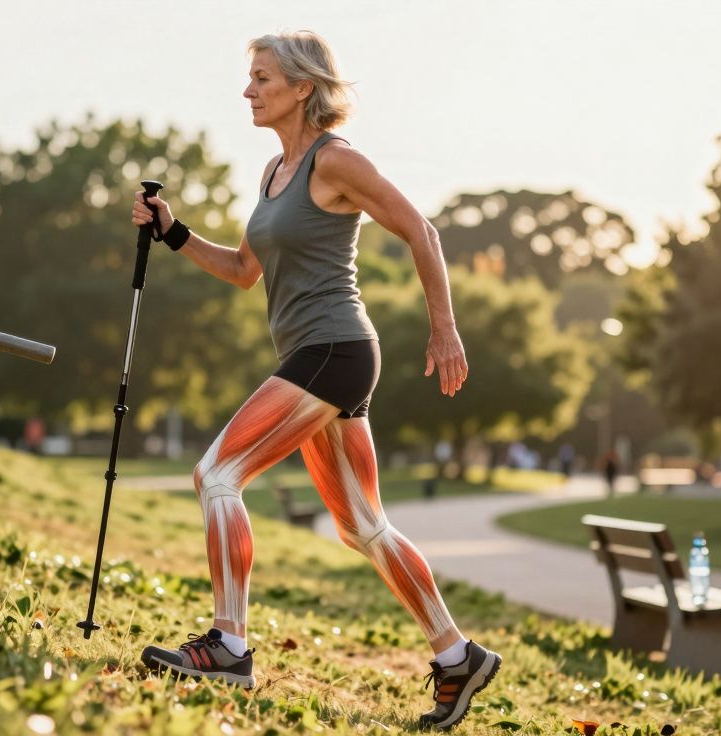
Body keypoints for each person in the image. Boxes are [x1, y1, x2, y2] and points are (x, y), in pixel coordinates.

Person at [128, 31, 500, 730]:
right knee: (362, 526)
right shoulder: (274, 174)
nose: (248, 90)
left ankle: (229, 645)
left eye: (261, 78)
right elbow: (244, 273)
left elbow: (422, 230)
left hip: (335, 348)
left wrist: (444, 326)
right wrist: (174, 234)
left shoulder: (336, 161)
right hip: (317, 353)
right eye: (249, 79)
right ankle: (458, 657)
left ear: (303, 88)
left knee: (216, 475)